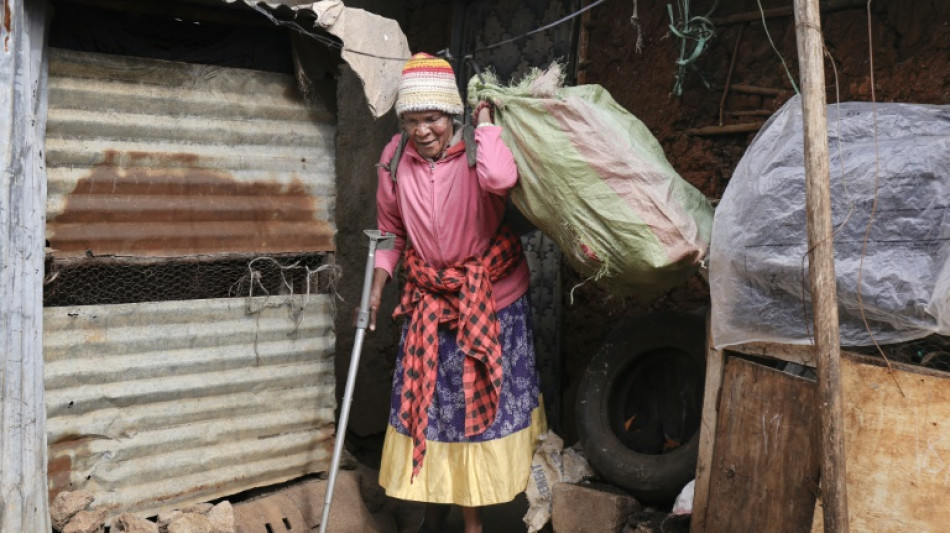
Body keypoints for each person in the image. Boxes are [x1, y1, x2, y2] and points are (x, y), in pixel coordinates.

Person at [366, 52, 547, 533]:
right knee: (431, 411)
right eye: (411, 120)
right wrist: (378, 285)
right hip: (429, 300)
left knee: (473, 414)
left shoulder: (476, 150)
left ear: (451, 115)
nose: (422, 131)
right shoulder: (393, 160)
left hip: (489, 300)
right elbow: (389, 232)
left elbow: (501, 180)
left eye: (432, 119)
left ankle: (475, 525)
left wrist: (485, 123)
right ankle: (436, 510)